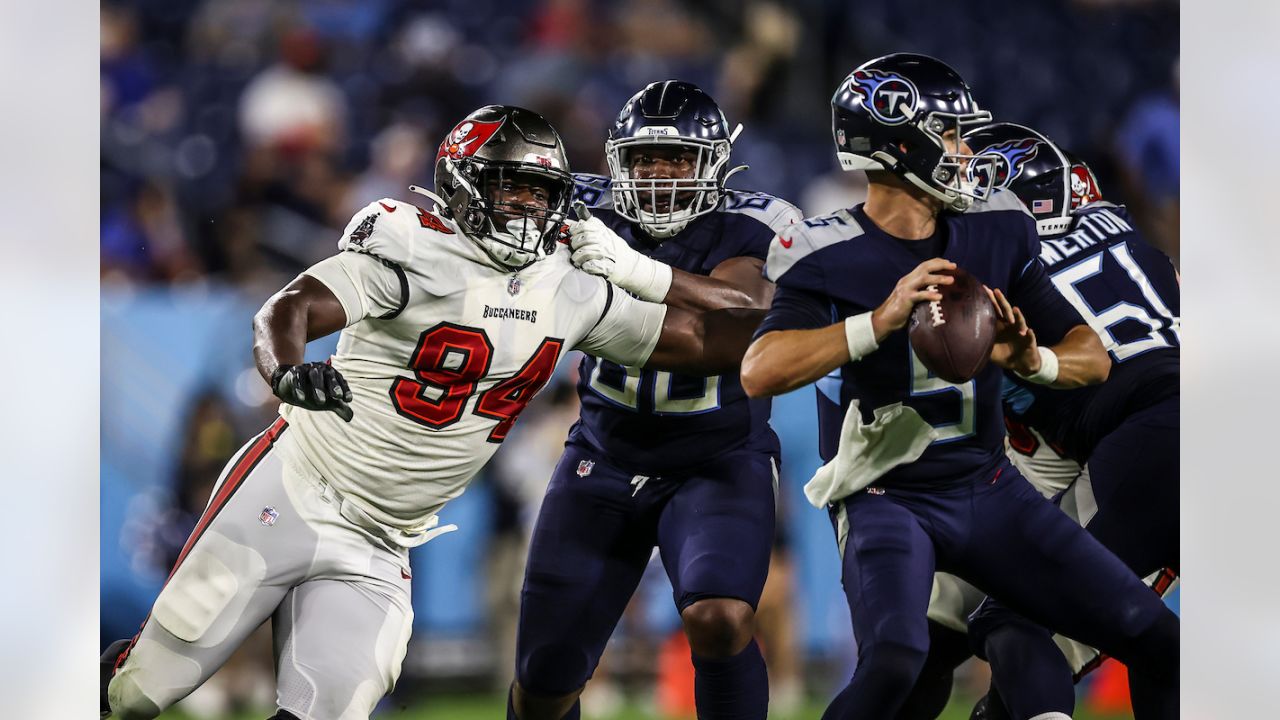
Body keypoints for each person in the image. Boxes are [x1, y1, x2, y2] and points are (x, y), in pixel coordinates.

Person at [101, 104, 766, 720]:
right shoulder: (414, 245)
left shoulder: (572, 284)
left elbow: (704, 345)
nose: (525, 205)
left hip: (384, 538)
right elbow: (291, 307)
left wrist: (795, 330)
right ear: (461, 182)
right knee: (142, 691)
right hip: (298, 487)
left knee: (330, 708)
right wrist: (285, 369)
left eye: (539, 190)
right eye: (508, 185)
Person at [739, 53, 1179, 719]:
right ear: (896, 142)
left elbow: (1086, 358)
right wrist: (876, 323)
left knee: (1114, 632)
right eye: (950, 135)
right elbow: (762, 370)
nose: (964, 153)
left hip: (993, 486)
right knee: (903, 654)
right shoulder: (827, 250)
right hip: (891, 491)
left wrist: (1034, 361)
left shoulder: (998, 234)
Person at [508, 80, 802, 720]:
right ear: (618, 162)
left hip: (718, 458)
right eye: (645, 159)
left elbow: (750, 304)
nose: (660, 176)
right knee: (544, 679)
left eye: (678, 160)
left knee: (720, 616)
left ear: (716, 165)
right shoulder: (578, 206)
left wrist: (637, 270)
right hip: (603, 456)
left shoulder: (758, 222)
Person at [953, 123, 1180, 720]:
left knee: (1012, 618)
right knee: (1143, 634)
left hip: (1160, 431)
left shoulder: (999, 270)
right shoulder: (1135, 240)